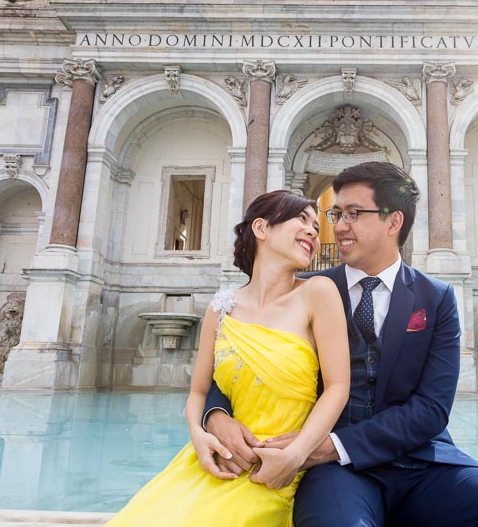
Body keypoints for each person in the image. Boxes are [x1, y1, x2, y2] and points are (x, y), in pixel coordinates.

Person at [203, 162, 478, 526]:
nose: (338, 228)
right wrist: (216, 416)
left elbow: (431, 408)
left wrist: (332, 445)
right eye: (336, 214)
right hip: (333, 474)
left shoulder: (437, 298)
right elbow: (235, 355)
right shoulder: (306, 290)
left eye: (352, 213)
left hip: (422, 463)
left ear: (393, 221)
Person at [107, 191, 350, 526]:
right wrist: (199, 434)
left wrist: (295, 457)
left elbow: (338, 387)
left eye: (315, 224)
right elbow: (197, 392)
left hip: (275, 469)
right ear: (262, 228)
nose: (314, 231)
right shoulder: (221, 308)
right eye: (302, 220)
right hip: (215, 460)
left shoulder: (318, 293)